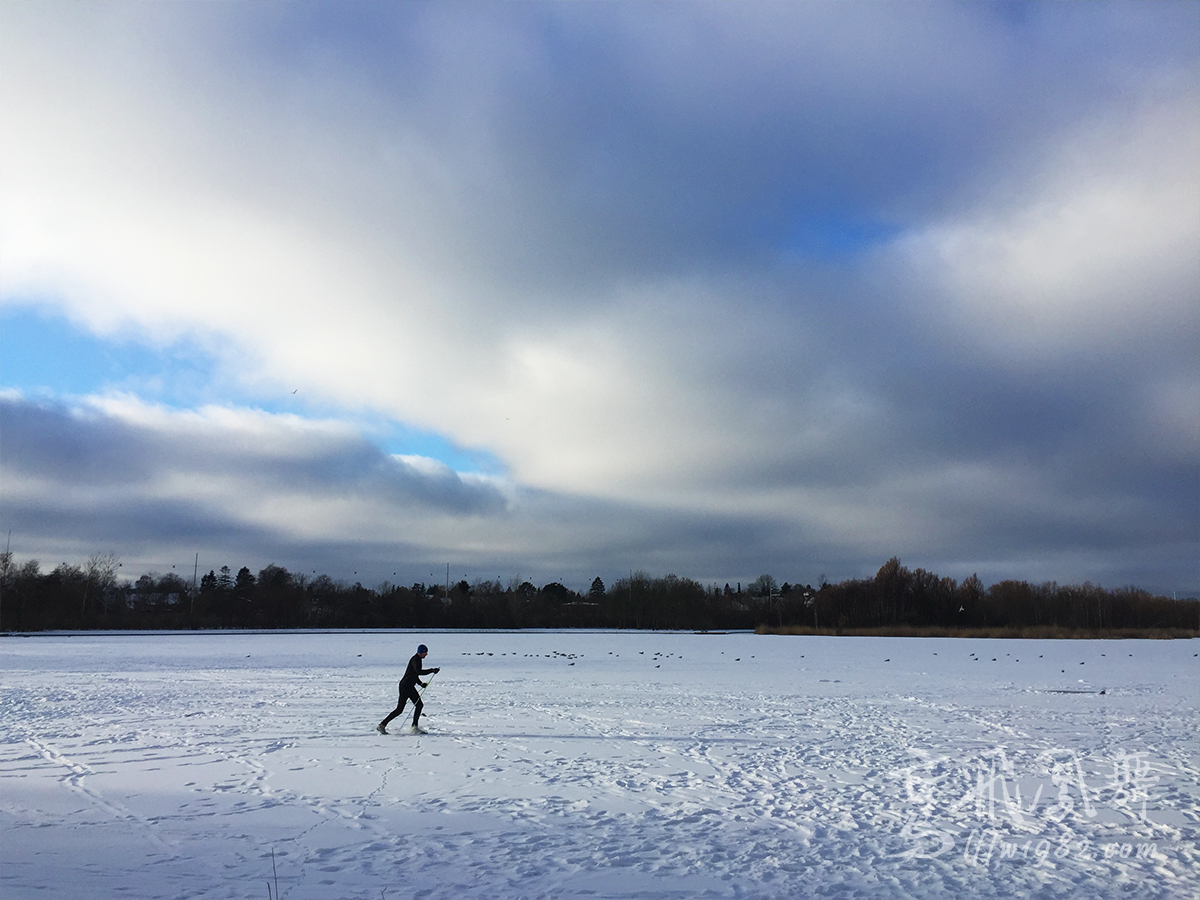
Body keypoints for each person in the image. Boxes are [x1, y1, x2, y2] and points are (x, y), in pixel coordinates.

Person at [378, 644, 440, 734]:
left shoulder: (417, 659)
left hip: (409, 686)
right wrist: (431, 670)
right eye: (425, 652)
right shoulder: (416, 659)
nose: (426, 654)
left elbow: (414, 674)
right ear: (421, 652)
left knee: (419, 705)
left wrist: (420, 683)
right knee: (400, 709)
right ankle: (382, 725)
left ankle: (414, 727)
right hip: (405, 687)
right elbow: (418, 671)